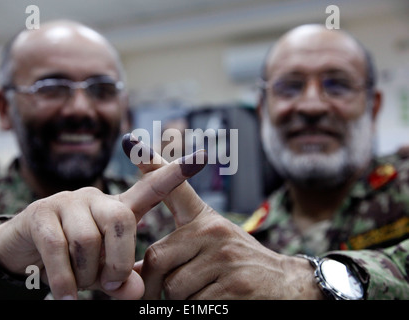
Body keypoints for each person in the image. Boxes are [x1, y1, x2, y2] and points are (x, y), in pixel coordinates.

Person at [130, 24, 409, 299]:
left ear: (373, 106)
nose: (311, 106)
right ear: (263, 110)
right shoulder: (245, 237)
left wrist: (303, 282)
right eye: (289, 87)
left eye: (337, 85)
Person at [0, 20, 206, 300]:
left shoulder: (171, 223)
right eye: (51, 87)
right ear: (5, 108)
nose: (81, 108)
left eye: (102, 90)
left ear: (123, 108)